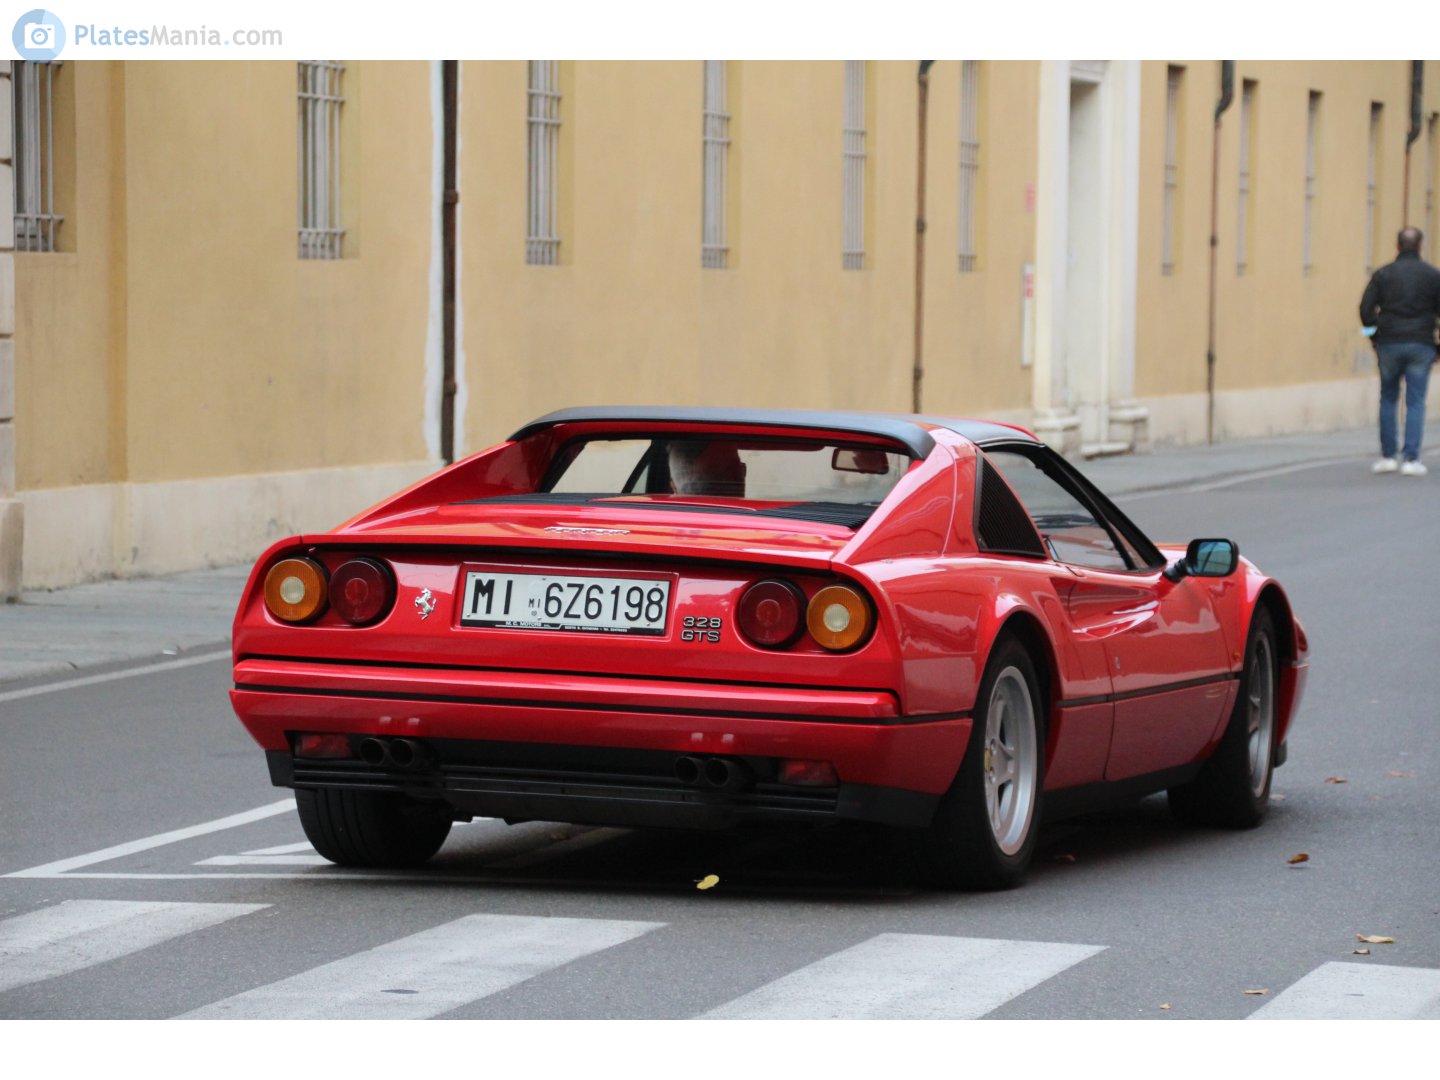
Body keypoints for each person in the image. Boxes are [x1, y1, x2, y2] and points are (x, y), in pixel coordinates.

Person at [1359, 226, 1440, 476]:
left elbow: (1365, 310)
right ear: (1420, 246)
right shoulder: (1432, 276)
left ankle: (1387, 455)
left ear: (1397, 246)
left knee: (1388, 398)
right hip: (1421, 343)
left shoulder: (1383, 274)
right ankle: (1411, 458)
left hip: (1389, 343)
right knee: (1415, 402)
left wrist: (1373, 337)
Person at [667, 440, 746, 496]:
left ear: (674, 488)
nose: (741, 478)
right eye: (732, 468)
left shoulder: (659, 516)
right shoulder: (750, 517)